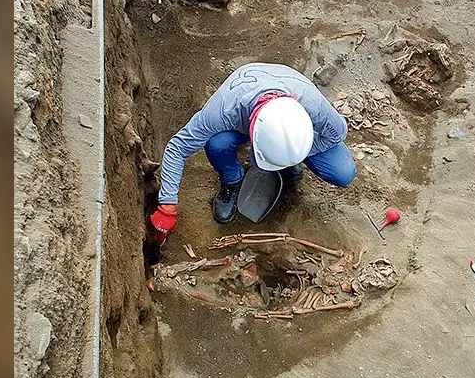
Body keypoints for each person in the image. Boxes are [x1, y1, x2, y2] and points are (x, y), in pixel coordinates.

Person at [149, 62, 356, 243]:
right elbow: (177, 147)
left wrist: (295, 153)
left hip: (289, 118)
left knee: (343, 172)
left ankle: (291, 159)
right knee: (217, 144)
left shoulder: (313, 105)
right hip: (245, 104)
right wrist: (167, 203)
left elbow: (338, 133)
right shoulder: (223, 110)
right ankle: (232, 180)